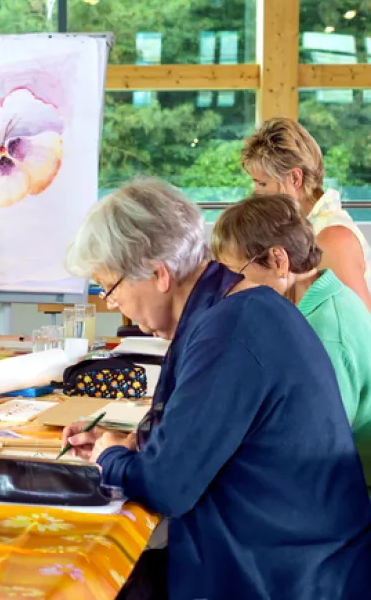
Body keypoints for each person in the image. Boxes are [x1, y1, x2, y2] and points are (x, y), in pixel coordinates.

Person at [60, 178, 371, 599]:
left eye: (110, 291)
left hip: (284, 575)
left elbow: (166, 486)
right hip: (288, 554)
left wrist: (107, 456)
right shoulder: (234, 307)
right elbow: (188, 437)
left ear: (158, 274)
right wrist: (130, 443)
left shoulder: (231, 330)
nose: (115, 306)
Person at [212, 194, 371, 492]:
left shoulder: (327, 332)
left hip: (353, 492)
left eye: (234, 274)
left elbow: (313, 450)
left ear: (278, 260)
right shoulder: (317, 298)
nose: (228, 289)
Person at [241, 117, 371, 310]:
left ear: (294, 178)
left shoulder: (333, 238)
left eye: (262, 183)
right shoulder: (301, 228)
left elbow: (361, 331)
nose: (255, 193)